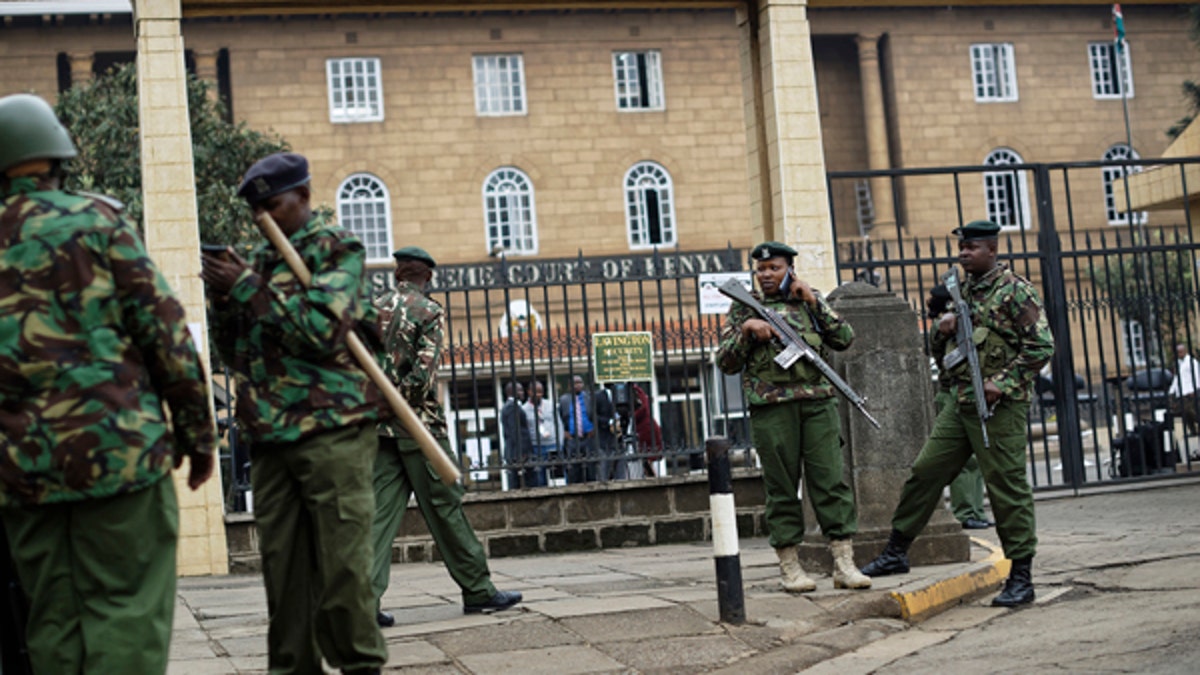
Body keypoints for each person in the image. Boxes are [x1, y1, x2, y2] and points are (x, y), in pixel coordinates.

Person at [0, 93, 217, 674]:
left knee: (51, 621)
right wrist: (198, 436)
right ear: (57, 159)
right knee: (126, 612)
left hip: (23, 473)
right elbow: (167, 335)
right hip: (118, 455)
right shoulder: (99, 221)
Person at [201, 152, 387, 674]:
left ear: (303, 197)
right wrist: (223, 299)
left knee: (343, 568)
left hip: (333, 429)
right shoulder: (257, 265)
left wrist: (246, 289)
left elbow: (321, 331)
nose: (262, 216)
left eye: (272, 205)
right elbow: (236, 354)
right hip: (271, 434)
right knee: (283, 575)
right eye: (255, 208)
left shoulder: (337, 250)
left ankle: (358, 664)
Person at [860, 220, 1054, 608]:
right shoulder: (958, 292)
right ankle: (897, 551)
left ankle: (1021, 575)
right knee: (925, 471)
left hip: (1000, 407)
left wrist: (1003, 381)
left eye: (973, 247)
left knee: (1006, 487)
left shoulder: (1015, 291)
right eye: (962, 247)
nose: (965, 252)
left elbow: (1041, 346)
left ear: (992, 250)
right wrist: (943, 326)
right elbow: (936, 351)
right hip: (960, 401)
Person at [370, 246, 521, 627]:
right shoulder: (429, 311)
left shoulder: (371, 308)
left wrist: (377, 403)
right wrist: (399, 400)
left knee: (377, 517)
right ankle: (479, 590)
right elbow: (423, 376)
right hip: (419, 428)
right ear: (428, 277)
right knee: (445, 506)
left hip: (378, 428)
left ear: (398, 274)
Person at [716, 241, 872, 593]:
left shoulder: (809, 300)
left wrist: (815, 303)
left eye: (774, 268)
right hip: (772, 408)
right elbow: (724, 362)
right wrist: (746, 333)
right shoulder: (743, 308)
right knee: (782, 488)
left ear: (790, 269)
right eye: (761, 269)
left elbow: (844, 338)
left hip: (818, 404)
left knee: (831, 482)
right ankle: (790, 567)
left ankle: (844, 564)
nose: (766, 275)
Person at [926, 284, 992, 531]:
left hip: (971, 394)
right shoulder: (940, 327)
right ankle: (965, 512)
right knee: (965, 462)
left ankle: (975, 510)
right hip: (951, 394)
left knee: (976, 459)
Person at [558, 374, 618, 483]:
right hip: (572, 439)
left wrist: (594, 428)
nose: (577, 386)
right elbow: (560, 417)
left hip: (589, 438)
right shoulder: (563, 400)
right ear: (569, 386)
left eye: (579, 383)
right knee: (573, 470)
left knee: (590, 468)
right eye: (574, 383)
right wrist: (564, 431)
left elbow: (595, 414)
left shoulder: (589, 398)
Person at [523, 379, 562, 487]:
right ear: (529, 392)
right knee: (540, 479)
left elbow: (558, 424)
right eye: (535, 392)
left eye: (541, 392)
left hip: (553, 445)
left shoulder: (550, 405)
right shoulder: (524, 409)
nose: (538, 395)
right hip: (536, 446)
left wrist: (560, 443)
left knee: (557, 478)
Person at [500, 381, 536, 488]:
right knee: (520, 483)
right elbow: (515, 431)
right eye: (519, 390)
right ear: (511, 392)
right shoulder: (512, 407)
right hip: (517, 452)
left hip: (516, 451)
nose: (522, 393)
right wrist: (523, 451)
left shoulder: (512, 406)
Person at [1168, 342, 1200, 436]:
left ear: (1185, 351)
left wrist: (1195, 389)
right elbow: (1176, 378)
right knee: (1185, 413)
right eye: (1178, 352)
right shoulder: (1178, 363)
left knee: (1192, 411)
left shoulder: (1192, 362)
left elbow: (1197, 375)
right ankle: (1192, 430)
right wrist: (1171, 391)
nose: (1180, 354)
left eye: (1181, 352)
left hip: (1190, 391)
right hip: (1181, 392)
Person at [632, 383, 664, 477]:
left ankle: (653, 480)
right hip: (644, 429)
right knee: (646, 460)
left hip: (647, 430)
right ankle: (652, 478)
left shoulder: (637, 392)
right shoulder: (638, 392)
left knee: (647, 460)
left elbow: (644, 409)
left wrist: (632, 416)